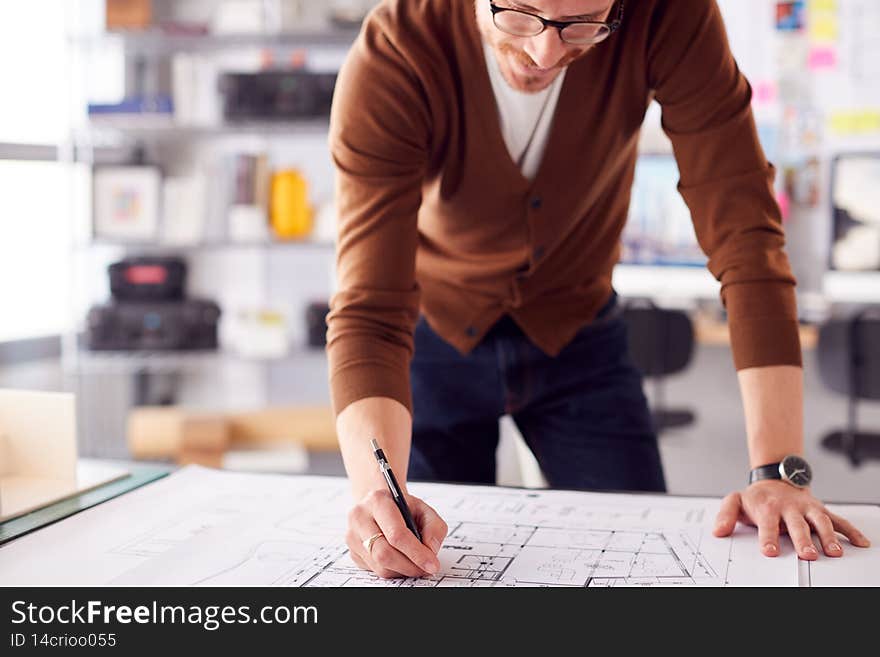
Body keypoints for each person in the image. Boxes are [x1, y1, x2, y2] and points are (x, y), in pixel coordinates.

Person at [326, 0, 870, 579]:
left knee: (642, 570)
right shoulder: (394, 54)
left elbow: (748, 244)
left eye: (583, 26)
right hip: (435, 339)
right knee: (413, 558)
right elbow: (370, 309)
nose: (546, 54)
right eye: (518, 14)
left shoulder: (669, 16)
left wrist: (775, 474)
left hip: (581, 336)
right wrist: (372, 495)